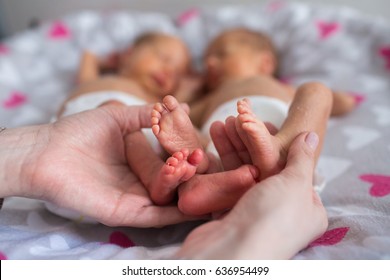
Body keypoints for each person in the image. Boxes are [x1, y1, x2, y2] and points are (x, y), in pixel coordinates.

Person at [0, 104, 327, 259]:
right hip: (274, 176)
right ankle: (212, 174)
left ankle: (197, 176)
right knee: (126, 127)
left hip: (66, 189)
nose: (214, 61)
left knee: (150, 137)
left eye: (226, 52)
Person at [150, 27, 357, 215]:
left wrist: (336, 98)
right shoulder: (211, 97)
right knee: (184, 128)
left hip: (284, 141)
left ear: (265, 63)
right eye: (206, 61)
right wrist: (187, 96)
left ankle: (281, 150)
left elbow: (343, 103)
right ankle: (206, 169)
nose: (210, 63)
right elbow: (179, 115)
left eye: (222, 54)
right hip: (221, 151)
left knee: (316, 90)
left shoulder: (278, 85)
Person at [47, 31, 216, 218]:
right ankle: (157, 173)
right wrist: (109, 61)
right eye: (163, 57)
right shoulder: (95, 82)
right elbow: (89, 57)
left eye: (177, 74)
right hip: (78, 144)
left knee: (180, 125)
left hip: (133, 164)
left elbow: (181, 103)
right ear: (128, 54)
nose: (169, 70)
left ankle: (191, 167)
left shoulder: (157, 99)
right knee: (116, 114)